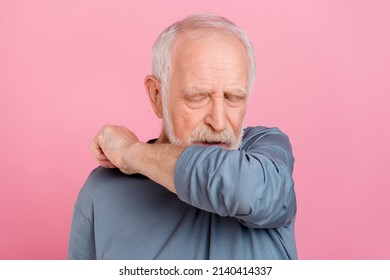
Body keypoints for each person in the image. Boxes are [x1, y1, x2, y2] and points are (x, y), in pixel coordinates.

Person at [68, 13, 297, 260]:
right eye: (197, 97)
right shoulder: (103, 193)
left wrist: (129, 152)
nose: (218, 122)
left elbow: (243, 190)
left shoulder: (266, 152)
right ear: (157, 95)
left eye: (233, 98)